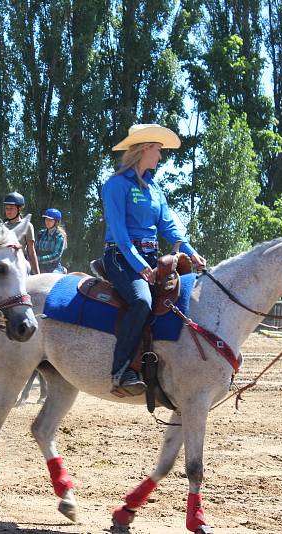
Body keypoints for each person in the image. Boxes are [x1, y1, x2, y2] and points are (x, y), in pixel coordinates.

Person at [102, 124, 206, 396]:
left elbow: (169, 226)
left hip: (150, 256)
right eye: (158, 150)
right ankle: (121, 370)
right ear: (144, 149)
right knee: (142, 300)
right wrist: (139, 265)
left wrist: (191, 251)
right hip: (120, 256)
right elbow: (120, 233)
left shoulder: (154, 188)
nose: (160, 156)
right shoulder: (116, 185)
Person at [3, 192, 39, 274]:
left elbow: (31, 251)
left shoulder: (27, 226)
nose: (8, 211)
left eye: (11, 208)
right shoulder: (3, 227)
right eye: (6, 208)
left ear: (19, 209)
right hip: (4, 266)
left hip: (19, 266)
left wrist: (37, 273)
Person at [36, 208, 67, 274]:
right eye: (46, 219)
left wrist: (38, 259)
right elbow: (35, 248)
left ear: (56, 222)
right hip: (38, 264)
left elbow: (56, 255)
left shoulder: (60, 236)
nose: (47, 222)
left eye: (50, 220)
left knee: (53, 277)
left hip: (53, 267)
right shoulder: (41, 233)